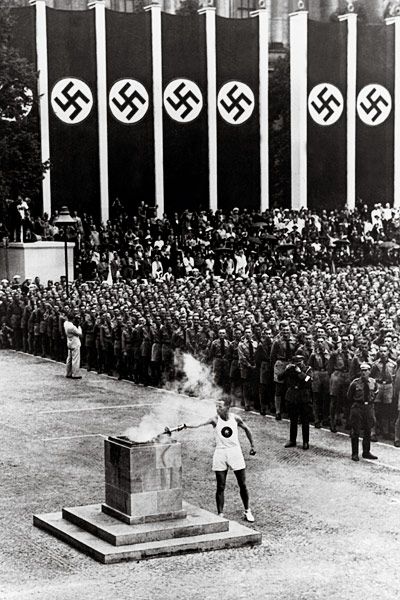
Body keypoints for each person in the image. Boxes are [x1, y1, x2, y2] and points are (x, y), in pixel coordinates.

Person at [185, 399, 256, 522]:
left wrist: (253, 446)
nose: (217, 409)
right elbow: (199, 424)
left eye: (220, 406)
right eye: (216, 406)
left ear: (228, 407)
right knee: (220, 485)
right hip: (220, 452)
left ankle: (247, 510)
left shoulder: (236, 418)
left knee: (242, 484)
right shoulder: (215, 419)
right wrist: (186, 425)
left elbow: (247, 429)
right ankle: (220, 514)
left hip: (235, 452)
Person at [278, 354, 313, 450]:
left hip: (303, 397)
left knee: (305, 421)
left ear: (303, 362)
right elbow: (280, 377)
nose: (298, 364)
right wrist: (286, 370)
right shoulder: (290, 369)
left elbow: (308, 381)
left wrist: (300, 372)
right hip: (292, 397)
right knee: (293, 420)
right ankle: (292, 440)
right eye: (296, 363)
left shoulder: (307, 369)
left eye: (300, 362)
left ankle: (306, 442)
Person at [347, 362, 378, 461]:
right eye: (362, 370)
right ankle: (355, 453)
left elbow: (375, 393)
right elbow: (349, 396)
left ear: (370, 371)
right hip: (358, 407)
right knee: (355, 431)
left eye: (366, 370)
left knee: (368, 430)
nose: (363, 372)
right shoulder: (355, 383)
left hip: (368, 407)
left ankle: (366, 452)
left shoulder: (373, 382)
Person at [63, 312, 82, 379]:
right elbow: (79, 333)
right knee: (75, 359)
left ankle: (68, 372)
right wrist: (79, 326)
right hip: (75, 342)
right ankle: (75, 374)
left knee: (69, 358)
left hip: (69, 341)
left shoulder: (65, 323)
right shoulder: (72, 327)